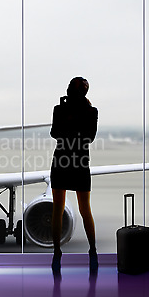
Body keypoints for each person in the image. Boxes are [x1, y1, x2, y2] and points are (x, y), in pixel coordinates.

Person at [50, 77, 98, 272]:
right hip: (79, 161)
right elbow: (89, 137)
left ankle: (57, 252)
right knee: (84, 209)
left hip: (61, 160)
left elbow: (55, 133)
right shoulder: (91, 111)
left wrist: (67, 120)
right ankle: (92, 250)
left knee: (58, 209)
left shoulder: (60, 110)